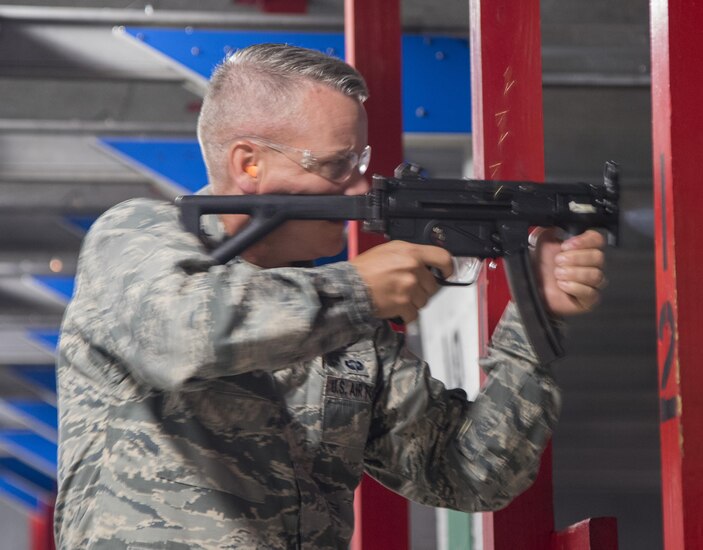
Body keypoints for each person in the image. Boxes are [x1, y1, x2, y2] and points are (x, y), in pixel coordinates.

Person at [55, 43, 607, 549]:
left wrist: (534, 323)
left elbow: (471, 472)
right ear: (250, 164)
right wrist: (359, 289)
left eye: (361, 162)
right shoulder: (133, 236)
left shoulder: (348, 335)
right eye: (337, 165)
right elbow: (180, 332)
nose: (363, 187)